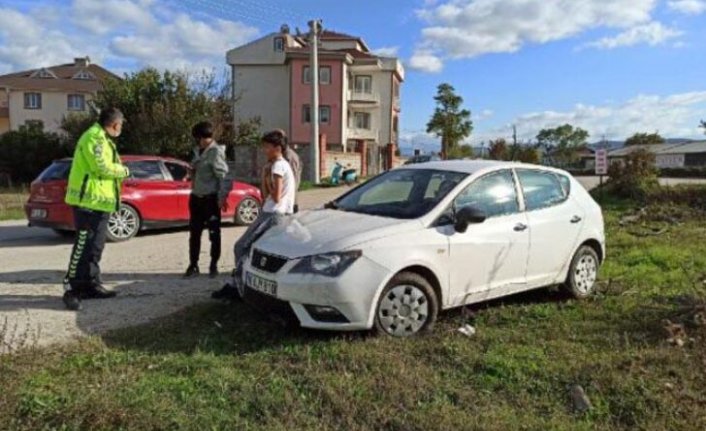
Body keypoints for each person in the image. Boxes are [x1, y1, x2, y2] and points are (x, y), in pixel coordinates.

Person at [212, 129, 296, 299]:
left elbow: (276, 195)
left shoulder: (279, 165)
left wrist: (267, 177)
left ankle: (238, 287)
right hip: (270, 210)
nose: (264, 150)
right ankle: (245, 284)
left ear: (277, 147)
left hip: (273, 214)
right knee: (254, 250)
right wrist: (265, 176)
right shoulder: (277, 166)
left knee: (241, 246)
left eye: (267, 147)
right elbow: (266, 197)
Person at [62, 107, 130, 311]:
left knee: (96, 247)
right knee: (83, 246)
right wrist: (124, 170)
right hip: (87, 204)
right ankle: (71, 288)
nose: (121, 129)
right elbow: (100, 167)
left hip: (100, 204)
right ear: (115, 124)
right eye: (121, 125)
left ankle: (91, 285)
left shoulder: (105, 139)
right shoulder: (94, 137)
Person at [184, 121, 231, 279]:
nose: (196, 141)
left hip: (210, 199)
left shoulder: (215, 152)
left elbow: (224, 177)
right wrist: (191, 172)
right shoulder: (198, 151)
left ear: (202, 137)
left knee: (214, 234)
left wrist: (222, 198)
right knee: (194, 233)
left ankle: (213, 265)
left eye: (197, 138)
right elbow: (196, 171)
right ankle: (193, 264)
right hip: (196, 197)